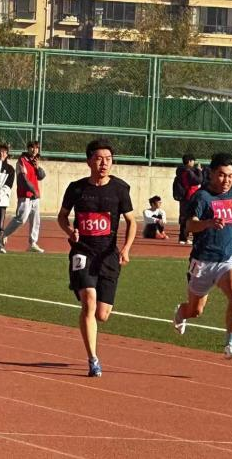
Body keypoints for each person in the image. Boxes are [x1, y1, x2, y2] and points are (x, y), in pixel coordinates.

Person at [174, 153, 232, 361]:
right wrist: (208, 223)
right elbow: (189, 225)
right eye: (222, 175)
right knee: (196, 310)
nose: (227, 180)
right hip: (202, 261)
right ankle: (182, 312)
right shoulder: (202, 197)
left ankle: (230, 344)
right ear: (212, 173)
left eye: (231, 176)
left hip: (227, 257)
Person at [56, 138, 136, 377]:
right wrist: (70, 231)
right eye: (99, 159)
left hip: (108, 256)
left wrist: (126, 248)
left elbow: (131, 222)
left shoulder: (120, 189)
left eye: (108, 159)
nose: (104, 163)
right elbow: (62, 216)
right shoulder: (76, 188)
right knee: (89, 300)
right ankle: (93, 359)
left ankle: (92, 334)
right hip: (83, 252)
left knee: (102, 314)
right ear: (89, 161)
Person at [3, 140, 45, 253]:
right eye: (32, 147)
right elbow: (23, 179)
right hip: (25, 195)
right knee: (21, 219)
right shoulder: (21, 161)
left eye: (37, 148)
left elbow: (41, 176)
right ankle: (4, 234)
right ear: (28, 148)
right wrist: (33, 190)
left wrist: (37, 167)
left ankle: (33, 243)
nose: (34, 150)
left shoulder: (34, 161)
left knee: (35, 220)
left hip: (35, 197)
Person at [173, 154, 203, 245]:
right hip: (190, 196)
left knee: (184, 217)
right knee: (193, 216)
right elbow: (198, 180)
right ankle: (189, 237)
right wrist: (199, 170)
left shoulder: (180, 171)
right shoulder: (188, 171)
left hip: (183, 197)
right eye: (193, 161)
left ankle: (183, 238)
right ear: (189, 161)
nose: (193, 163)